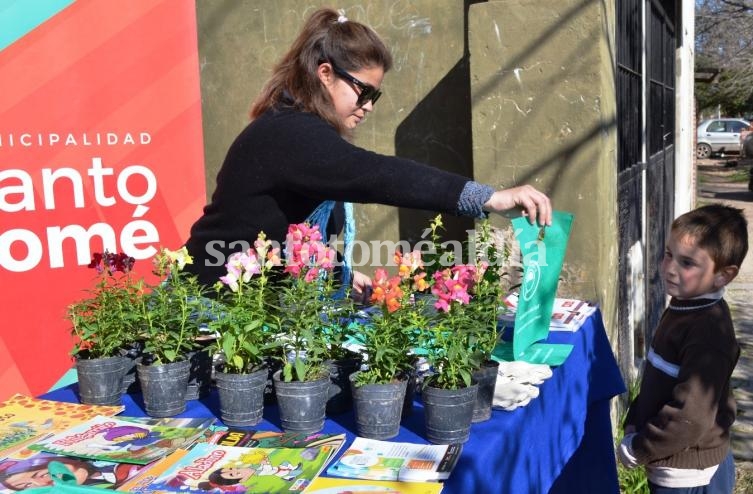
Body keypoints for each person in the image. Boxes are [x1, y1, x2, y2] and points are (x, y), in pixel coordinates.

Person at [183, 7, 552, 299]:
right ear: (325, 73)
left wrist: (338, 273)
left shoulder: (298, 129)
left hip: (254, 307)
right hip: (212, 312)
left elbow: (285, 231)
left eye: (375, 95)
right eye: (364, 91)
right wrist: (489, 198)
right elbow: (377, 175)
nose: (369, 105)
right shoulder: (289, 133)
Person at [618, 203, 749, 493]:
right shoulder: (685, 306)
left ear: (723, 275)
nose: (670, 269)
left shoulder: (707, 332)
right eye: (668, 255)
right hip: (672, 460)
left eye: (687, 263)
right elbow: (660, 377)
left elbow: (691, 416)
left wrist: (640, 447)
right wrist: (635, 420)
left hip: (687, 473)